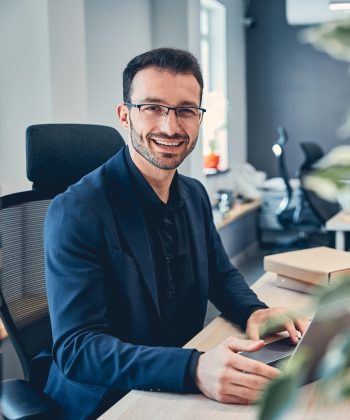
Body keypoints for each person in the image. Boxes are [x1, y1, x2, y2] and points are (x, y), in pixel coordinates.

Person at [44, 48, 307, 419]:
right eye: (152, 107)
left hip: (179, 385)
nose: (170, 127)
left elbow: (220, 273)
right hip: (105, 401)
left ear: (199, 119)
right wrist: (194, 368)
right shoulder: (77, 210)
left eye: (185, 110)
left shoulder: (195, 194)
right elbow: (77, 349)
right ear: (125, 116)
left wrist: (254, 312)